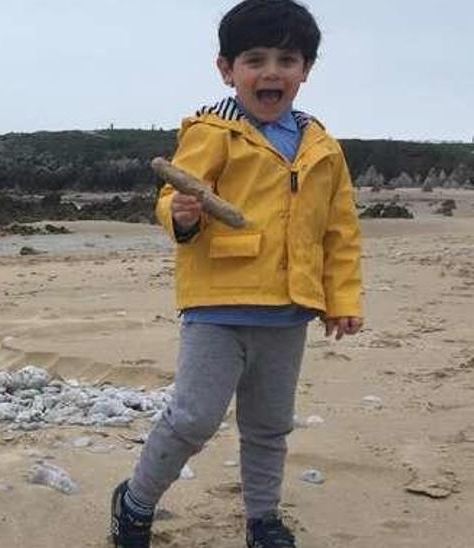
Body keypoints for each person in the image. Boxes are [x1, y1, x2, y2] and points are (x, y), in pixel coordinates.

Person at [110, 1, 363, 546]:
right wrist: (178, 215)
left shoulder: (323, 146)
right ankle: (134, 502)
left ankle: (263, 520)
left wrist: (341, 297)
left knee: (270, 426)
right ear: (227, 69)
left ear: (305, 71)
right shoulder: (212, 131)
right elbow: (174, 195)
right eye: (255, 59)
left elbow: (339, 230)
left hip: (288, 309)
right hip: (218, 306)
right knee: (194, 418)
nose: (271, 71)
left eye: (287, 59)